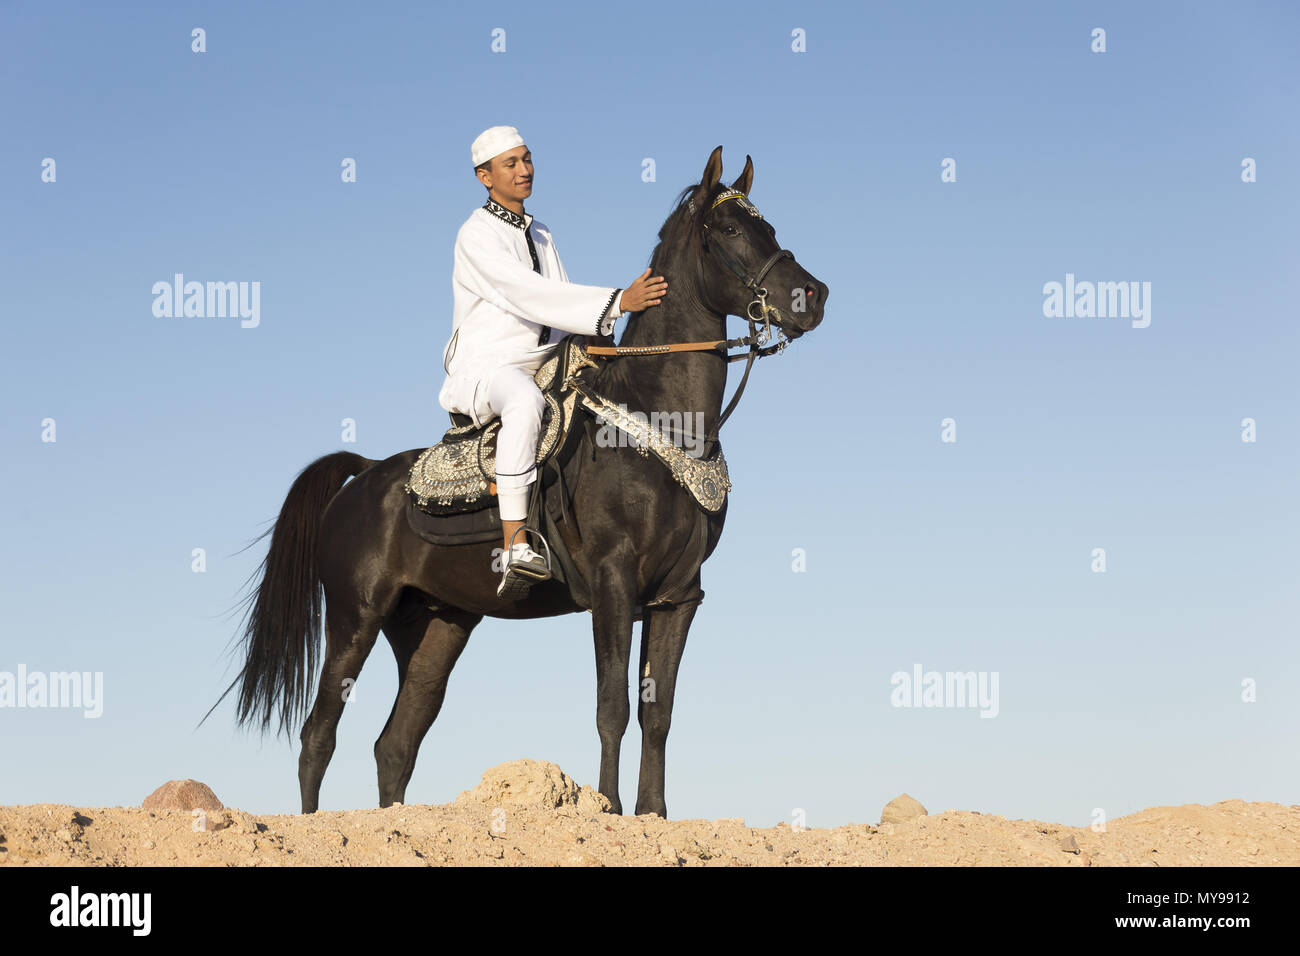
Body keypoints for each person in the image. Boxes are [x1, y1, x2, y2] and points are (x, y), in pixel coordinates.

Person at [439, 125, 668, 598]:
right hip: (489, 367)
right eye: (511, 164)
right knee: (523, 402)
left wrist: (607, 344)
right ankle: (515, 544)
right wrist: (618, 302)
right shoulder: (475, 234)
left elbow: (559, 301)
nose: (525, 170)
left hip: (545, 359)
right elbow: (531, 296)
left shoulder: (540, 232)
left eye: (527, 159)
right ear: (485, 177)